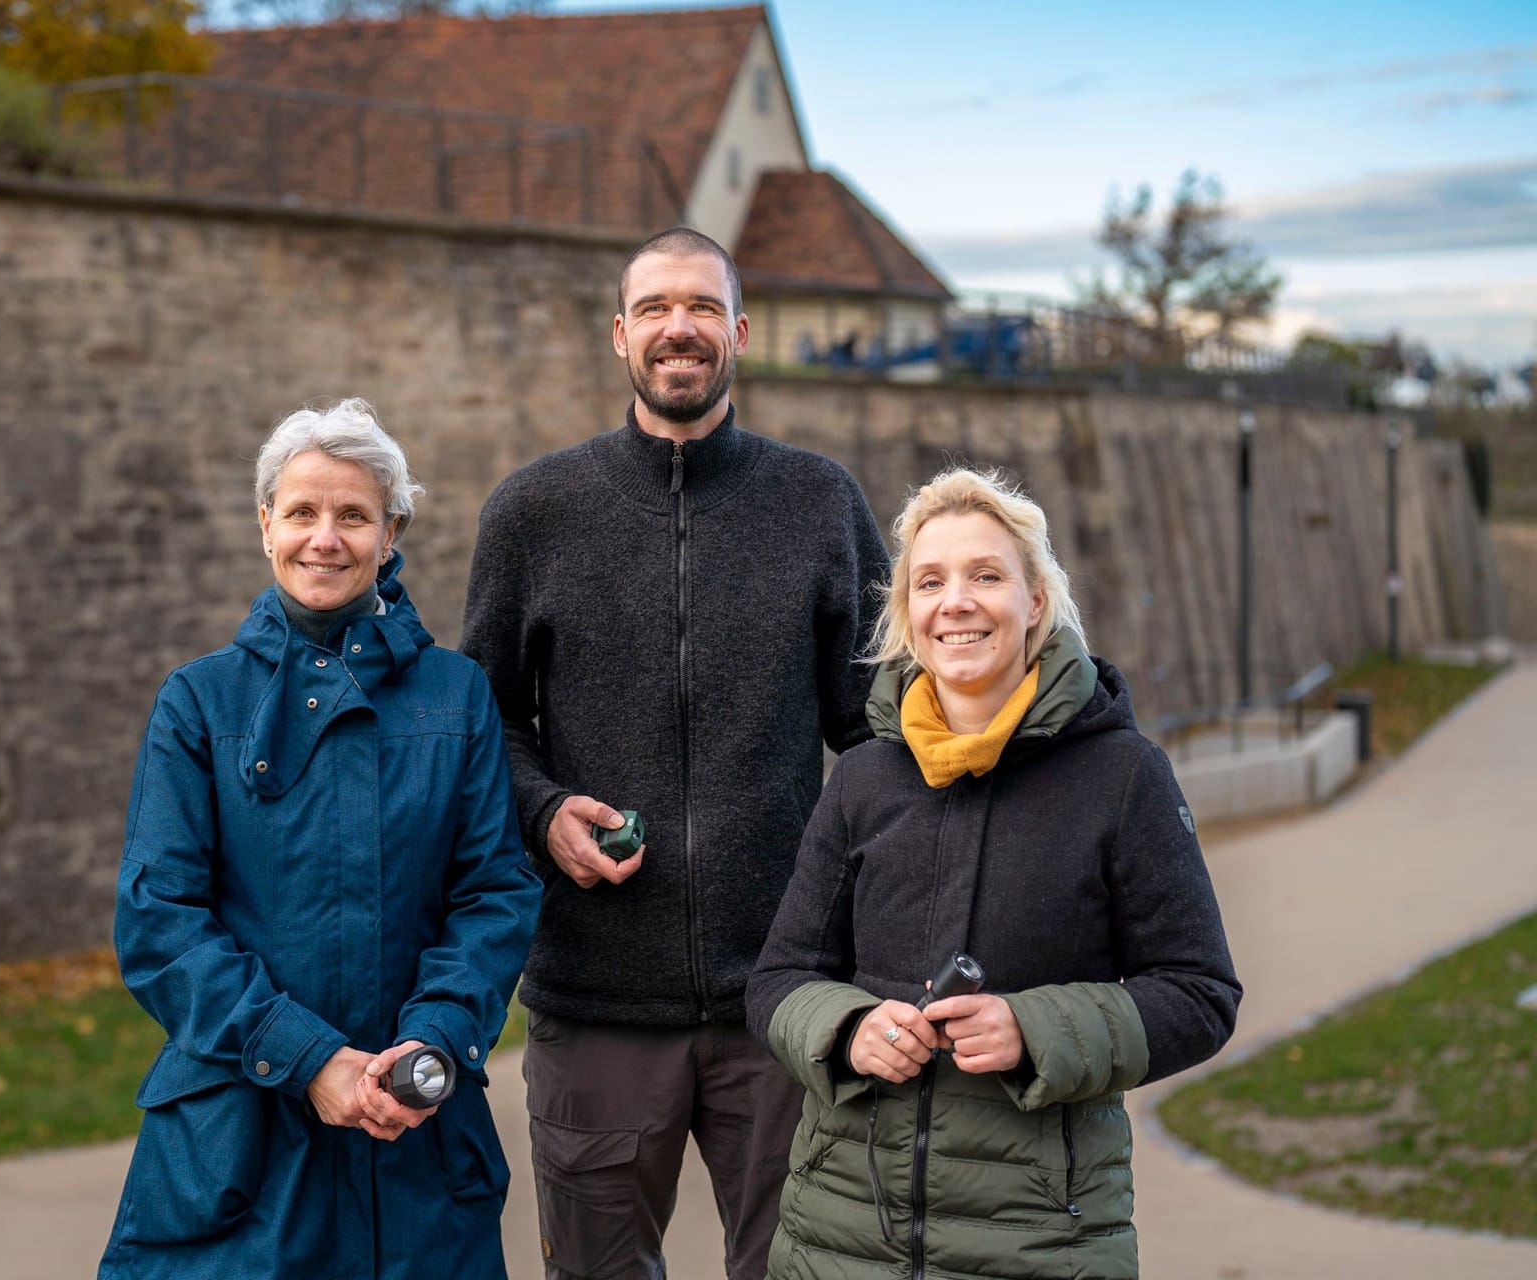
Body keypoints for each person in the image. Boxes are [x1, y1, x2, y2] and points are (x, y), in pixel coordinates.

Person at [461, 228, 890, 1279]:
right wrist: (540, 807)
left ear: (738, 332)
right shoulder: (533, 511)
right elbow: (480, 723)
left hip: (786, 1001)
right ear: (620, 336)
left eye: (701, 306)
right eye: (654, 307)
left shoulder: (820, 503)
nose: (678, 328)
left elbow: (881, 726)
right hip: (595, 998)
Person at [746, 466, 1242, 1279]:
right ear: (908, 613)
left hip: (1043, 1240)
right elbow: (779, 978)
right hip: (842, 1234)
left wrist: (1035, 1030)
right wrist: (847, 1029)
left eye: (986, 576)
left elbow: (1200, 993)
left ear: (1035, 602)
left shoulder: (1123, 777)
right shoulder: (865, 779)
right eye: (930, 582)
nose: (958, 602)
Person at [98, 399, 542, 1279]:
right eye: (301, 512)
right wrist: (308, 1060)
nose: (324, 538)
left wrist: (435, 1039)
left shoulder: (457, 698)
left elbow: (494, 891)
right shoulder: (199, 703)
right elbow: (159, 920)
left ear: (391, 532)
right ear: (266, 526)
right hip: (241, 1146)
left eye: (353, 515)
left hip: (414, 1136)